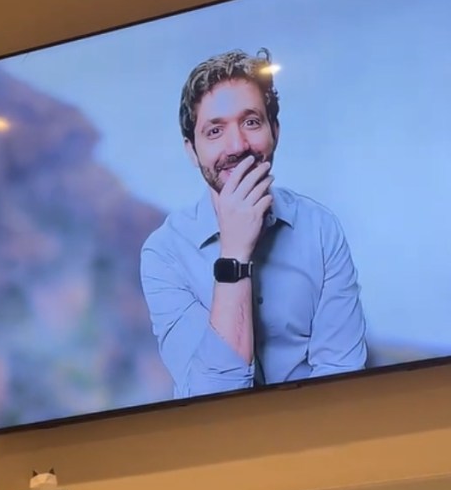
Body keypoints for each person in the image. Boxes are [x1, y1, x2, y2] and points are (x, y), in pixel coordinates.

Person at [139, 48, 367, 400]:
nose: (237, 145)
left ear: (274, 130)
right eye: (214, 131)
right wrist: (234, 251)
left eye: (251, 122)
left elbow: (343, 381)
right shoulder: (163, 253)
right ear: (191, 149)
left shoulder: (320, 228)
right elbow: (210, 397)